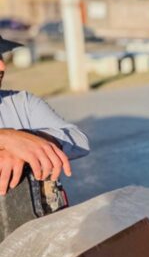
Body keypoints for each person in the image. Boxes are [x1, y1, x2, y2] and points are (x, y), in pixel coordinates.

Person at [0, 35, 88, 195]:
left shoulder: (23, 102)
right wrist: (6, 138)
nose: (2, 65)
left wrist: (28, 139)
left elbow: (79, 141)